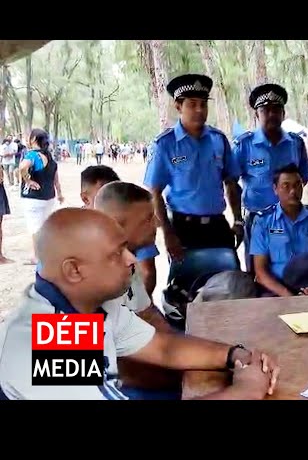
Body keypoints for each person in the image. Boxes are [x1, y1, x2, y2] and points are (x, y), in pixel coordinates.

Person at [0, 208, 279, 400]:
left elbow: (165, 348)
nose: (131, 260)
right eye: (115, 254)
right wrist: (245, 391)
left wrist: (236, 356)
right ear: (74, 271)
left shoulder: (91, 306)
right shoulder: (45, 337)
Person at [93, 181, 182, 399]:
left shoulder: (125, 259)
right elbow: (113, 370)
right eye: (148, 219)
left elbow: (149, 313)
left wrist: (180, 349)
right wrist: (178, 377)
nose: (158, 222)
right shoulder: (82, 277)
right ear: (116, 224)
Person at [143, 74, 243, 265]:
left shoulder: (218, 139)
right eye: (192, 104)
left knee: (229, 282)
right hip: (183, 228)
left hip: (217, 225)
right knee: (186, 287)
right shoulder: (165, 144)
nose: (199, 110)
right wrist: (168, 233)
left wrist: (238, 220)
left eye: (203, 104)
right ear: (178, 106)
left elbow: (231, 182)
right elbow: (154, 192)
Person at [233, 83, 308, 272]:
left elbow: (304, 178)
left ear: (283, 114)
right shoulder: (245, 145)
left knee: (290, 272)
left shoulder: (295, 143)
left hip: (289, 220)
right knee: (256, 274)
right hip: (256, 220)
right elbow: (231, 183)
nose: (271, 115)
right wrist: (237, 219)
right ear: (257, 115)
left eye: (276, 110)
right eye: (265, 110)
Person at [250, 164, 308, 297]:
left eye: (297, 185)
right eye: (286, 186)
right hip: (277, 290)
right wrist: (288, 295)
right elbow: (260, 273)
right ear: (275, 189)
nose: (293, 191)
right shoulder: (263, 221)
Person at [81, 166, 159, 297]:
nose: (157, 223)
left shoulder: (127, 262)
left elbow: (146, 310)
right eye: (148, 219)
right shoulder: (80, 272)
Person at [18, 128, 64, 265]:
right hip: (49, 197)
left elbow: (22, 167)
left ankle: (36, 255)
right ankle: (45, 253)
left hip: (33, 197)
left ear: (33, 139)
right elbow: (56, 180)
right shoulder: (51, 158)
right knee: (44, 226)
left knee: (34, 227)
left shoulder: (32, 155)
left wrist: (28, 180)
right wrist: (60, 194)